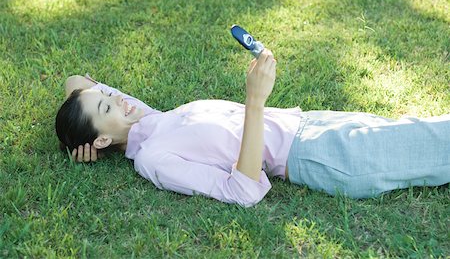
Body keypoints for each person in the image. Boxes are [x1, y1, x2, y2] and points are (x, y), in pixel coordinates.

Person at [56, 49, 450, 207]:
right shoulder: (153, 157)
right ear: (105, 137)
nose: (119, 97)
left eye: (109, 94)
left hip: (316, 122)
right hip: (322, 155)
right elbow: (242, 191)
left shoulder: (144, 116)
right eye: (108, 102)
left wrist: (83, 134)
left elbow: (77, 82)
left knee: (427, 132)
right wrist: (255, 101)